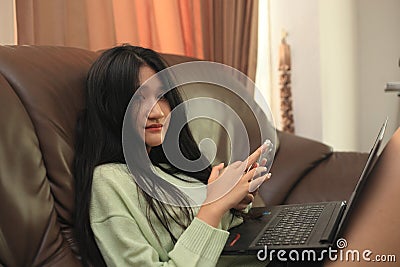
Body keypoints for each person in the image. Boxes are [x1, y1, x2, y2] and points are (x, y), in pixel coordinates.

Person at [74, 44, 270, 267]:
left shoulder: (172, 169)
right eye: (139, 99)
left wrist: (232, 203)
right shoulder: (108, 181)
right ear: (110, 106)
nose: (157, 113)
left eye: (162, 96)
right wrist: (213, 206)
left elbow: (213, 234)